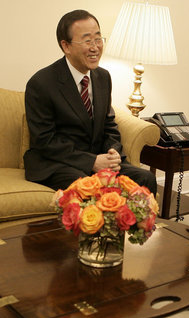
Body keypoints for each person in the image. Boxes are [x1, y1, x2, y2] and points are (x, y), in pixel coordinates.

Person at [24, 10, 157, 194]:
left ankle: (138, 224)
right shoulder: (41, 83)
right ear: (66, 46)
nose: (95, 47)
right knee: (89, 186)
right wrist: (91, 162)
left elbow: (109, 124)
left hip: (97, 160)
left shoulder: (103, 77)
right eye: (87, 41)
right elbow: (45, 141)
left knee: (145, 179)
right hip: (58, 163)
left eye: (98, 39)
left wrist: (112, 151)